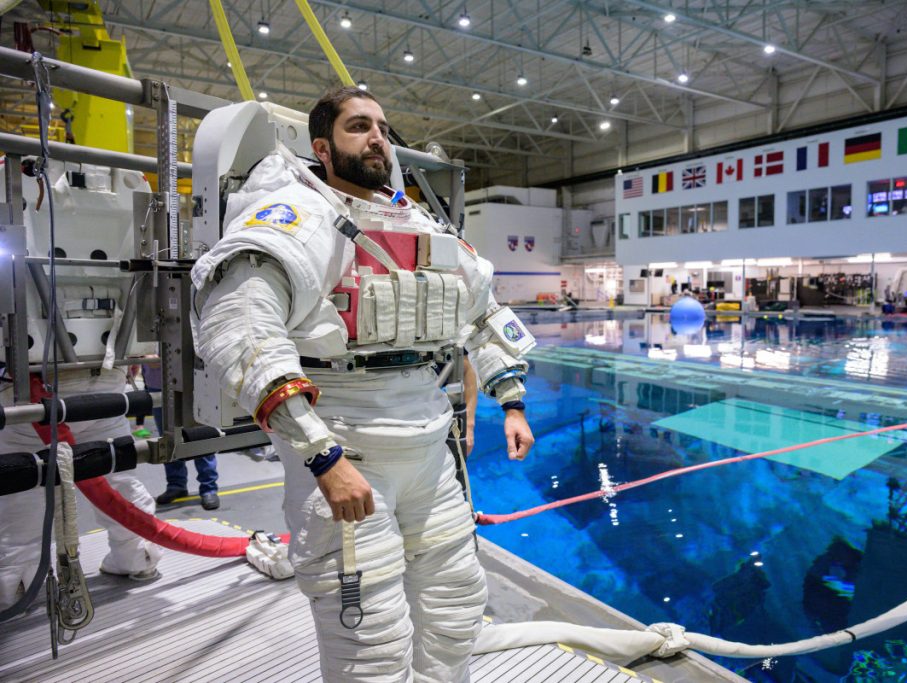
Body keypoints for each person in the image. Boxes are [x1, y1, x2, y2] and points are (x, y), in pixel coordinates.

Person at [190, 86, 535, 682]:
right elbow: (240, 326)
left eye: (380, 125)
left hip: (428, 447)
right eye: (358, 127)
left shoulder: (418, 222)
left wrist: (512, 401)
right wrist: (323, 458)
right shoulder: (298, 216)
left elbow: (480, 311)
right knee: (370, 637)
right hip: (348, 444)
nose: (377, 136)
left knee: (455, 609)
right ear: (322, 148)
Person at [0, 367, 163, 609]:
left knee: (25, 486)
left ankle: (14, 586)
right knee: (115, 473)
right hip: (105, 381)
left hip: (27, 387)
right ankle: (137, 556)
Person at [142, 363, 220, 510]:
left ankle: (209, 488)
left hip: (191, 380)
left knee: (200, 436)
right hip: (157, 383)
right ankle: (176, 485)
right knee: (168, 439)